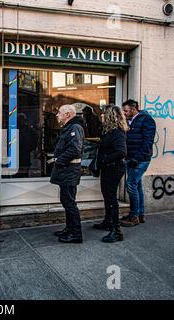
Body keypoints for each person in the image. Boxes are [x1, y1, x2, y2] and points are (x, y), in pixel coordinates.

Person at [92, 104, 128, 242]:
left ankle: (116, 231)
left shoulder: (117, 132)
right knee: (107, 197)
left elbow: (121, 151)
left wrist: (105, 159)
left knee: (111, 199)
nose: (101, 116)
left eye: (103, 114)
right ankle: (108, 222)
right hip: (108, 168)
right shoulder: (108, 131)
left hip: (114, 168)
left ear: (109, 116)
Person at [50, 104, 85, 243]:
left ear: (68, 115)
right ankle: (69, 229)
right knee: (66, 201)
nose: (57, 115)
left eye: (59, 112)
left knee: (69, 202)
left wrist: (59, 160)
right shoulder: (69, 127)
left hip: (69, 171)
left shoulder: (75, 128)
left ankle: (76, 234)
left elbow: (75, 150)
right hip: (66, 171)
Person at [121, 99, 156, 227]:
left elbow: (148, 142)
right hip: (131, 158)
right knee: (137, 185)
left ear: (134, 109)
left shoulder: (146, 119)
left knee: (130, 185)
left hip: (140, 159)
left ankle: (134, 215)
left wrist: (137, 158)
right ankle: (139, 214)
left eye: (126, 111)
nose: (124, 113)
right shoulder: (131, 120)